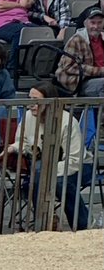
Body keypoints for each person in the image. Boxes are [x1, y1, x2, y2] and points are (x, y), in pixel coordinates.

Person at [10, 79, 89, 232]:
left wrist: (48, 171)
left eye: (36, 100)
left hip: (76, 165)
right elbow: (22, 142)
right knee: (38, 171)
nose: (31, 104)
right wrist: (13, 148)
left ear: (49, 101)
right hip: (41, 165)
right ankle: (48, 219)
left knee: (58, 181)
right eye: (30, 100)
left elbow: (74, 160)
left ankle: (79, 225)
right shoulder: (28, 116)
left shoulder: (67, 121)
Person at [55, 6, 104, 97]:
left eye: (99, 23)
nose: (96, 26)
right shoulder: (76, 40)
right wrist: (99, 71)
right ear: (85, 23)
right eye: (92, 23)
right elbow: (69, 67)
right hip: (79, 81)